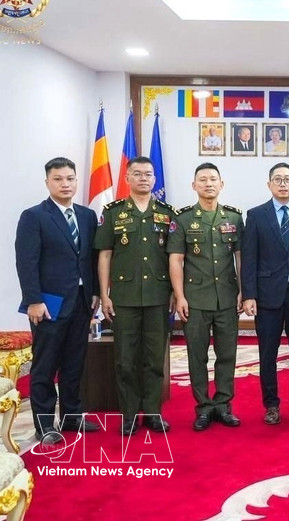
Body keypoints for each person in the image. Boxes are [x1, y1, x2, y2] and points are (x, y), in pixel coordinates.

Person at [15, 157, 101, 443]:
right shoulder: (34, 216)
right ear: (47, 182)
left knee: (74, 362)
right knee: (45, 365)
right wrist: (33, 300)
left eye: (70, 178)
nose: (65, 184)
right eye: (58, 179)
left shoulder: (87, 216)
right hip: (47, 303)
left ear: (76, 181)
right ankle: (45, 426)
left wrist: (96, 292)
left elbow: (90, 259)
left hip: (80, 301)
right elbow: (26, 262)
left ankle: (72, 417)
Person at [95, 156, 176, 436]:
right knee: (125, 359)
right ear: (127, 178)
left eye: (148, 174)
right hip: (124, 296)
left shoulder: (167, 213)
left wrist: (176, 293)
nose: (144, 178)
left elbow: (175, 257)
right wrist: (104, 294)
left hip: (158, 295)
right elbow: (105, 254)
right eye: (137, 174)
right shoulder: (114, 212)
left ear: (155, 179)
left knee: (154, 359)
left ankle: (152, 412)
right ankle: (129, 415)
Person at [168, 163, 244, 431]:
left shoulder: (233, 218)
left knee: (227, 355)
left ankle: (223, 405)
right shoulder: (184, 219)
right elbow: (176, 260)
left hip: (226, 297)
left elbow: (239, 257)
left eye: (213, 179)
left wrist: (243, 291)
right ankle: (203, 407)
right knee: (196, 355)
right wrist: (179, 297)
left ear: (221, 184)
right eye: (203, 179)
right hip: (195, 299)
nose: (208, 184)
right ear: (194, 185)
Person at [242, 162, 289, 425]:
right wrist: (249, 294)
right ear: (269, 184)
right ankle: (271, 405)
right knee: (268, 354)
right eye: (277, 179)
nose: (283, 183)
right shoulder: (256, 215)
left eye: (287, 179)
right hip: (267, 295)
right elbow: (249, 257)